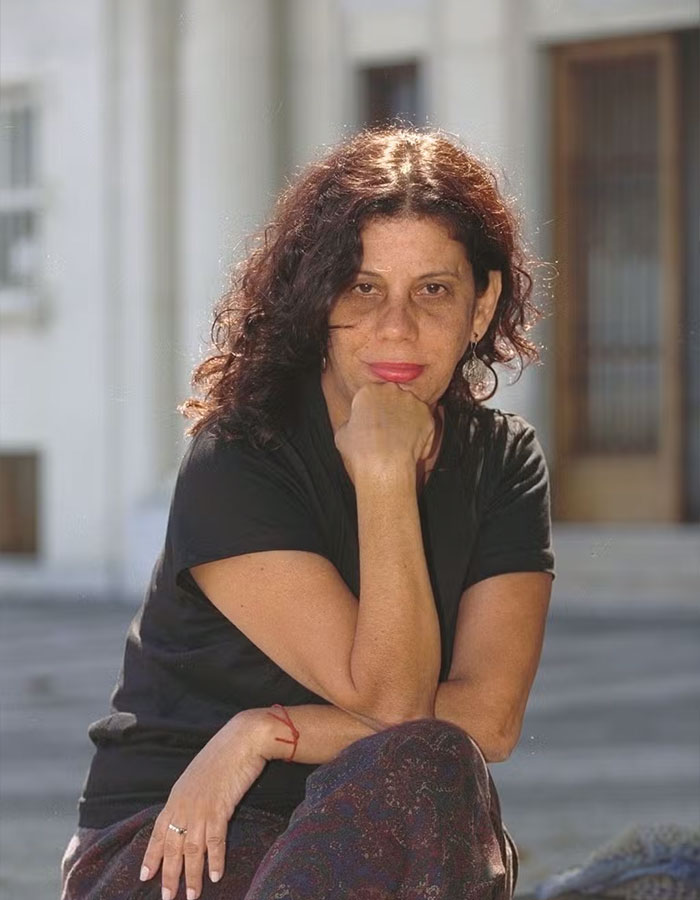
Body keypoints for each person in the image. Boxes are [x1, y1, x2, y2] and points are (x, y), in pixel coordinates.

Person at [61, 126, 555, 900]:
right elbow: (398, 705)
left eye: (434, 289)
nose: (396, 327)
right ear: (315, 296)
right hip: (185, 835)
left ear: (482, 303)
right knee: (421, 757)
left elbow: (487, 721)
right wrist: (386, 473)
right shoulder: (240, 458)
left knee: (431, 764)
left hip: (381, 824)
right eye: (361, 287)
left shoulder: (503, 462)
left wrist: (265, 731)